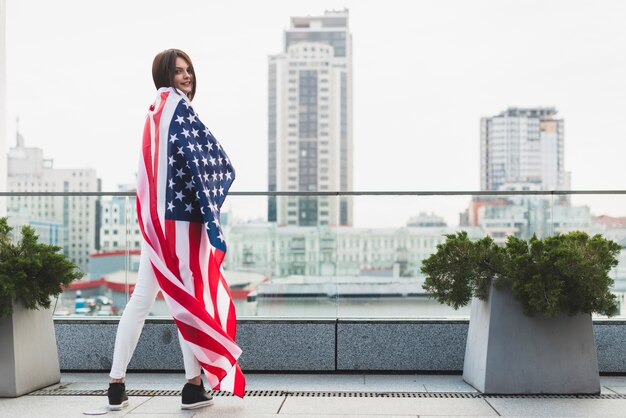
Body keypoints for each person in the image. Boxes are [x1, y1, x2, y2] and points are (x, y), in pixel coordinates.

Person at [107, 49, 244, 411]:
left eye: (189, 71)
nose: (187, 77)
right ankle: (192, 385)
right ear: (164, 75)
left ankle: (116, 385)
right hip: (181, 223)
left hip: (156, 224)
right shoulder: (178, 109)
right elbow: (205, 159)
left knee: (141, 301)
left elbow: (154, 171)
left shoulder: (154, 112)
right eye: (178, 71)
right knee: (188, 300)